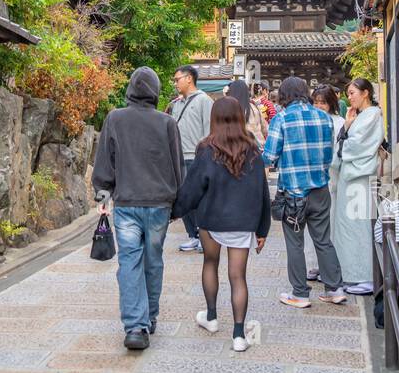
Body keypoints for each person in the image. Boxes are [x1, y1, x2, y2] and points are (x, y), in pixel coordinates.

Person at [92, 67, 183, 350]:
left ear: (130, 89)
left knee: (129, 262)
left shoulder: (115, 119)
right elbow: (178, 167)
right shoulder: (167, 123)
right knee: (153, 260)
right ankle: (150, 316)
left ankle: (135, 326)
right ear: (155, 92)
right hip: (158, 204)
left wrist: (102, 193)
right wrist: (177, 205)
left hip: (127, 203)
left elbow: (105, 160)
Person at [173, 97, 271, 352]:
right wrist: (262, 229)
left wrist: (174, 211)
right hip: (242, 222)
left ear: (214, 118)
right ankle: (239, 335)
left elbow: (193, 188)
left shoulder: (206, 148)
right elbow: (262, 192)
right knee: (238, 277)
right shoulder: (253, 150)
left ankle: (212, 317)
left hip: (211, 220)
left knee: (210, 263)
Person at [261, 77, 347, 307]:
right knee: (323, 240)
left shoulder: (281, 119)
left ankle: (299, 293)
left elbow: (269, 157)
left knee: (295, 242)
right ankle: (335, 289)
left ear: (285, 95)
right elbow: (330, 155)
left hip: (293, 192)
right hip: (320, 188)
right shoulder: (324, 118)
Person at [332, 77, 384, 295]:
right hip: (351, 177)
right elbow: (348, 140)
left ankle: (365, 275)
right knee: (348, 227)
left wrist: (344, 139)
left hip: (359, 178)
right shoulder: (361, 117)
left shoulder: (372, 116)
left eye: (352, 92)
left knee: (359, 227)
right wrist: (346, 126)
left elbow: (357, 145)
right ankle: (352, 273)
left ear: (365, 93)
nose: (349, 97)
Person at [168, 65, 213, 252]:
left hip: (197, 158)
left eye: (177, 79)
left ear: (189, 78)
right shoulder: (176, 103)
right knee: (182, 198)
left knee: (200, 199)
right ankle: (192, 235)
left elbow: (209, 130)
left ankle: (204, 236)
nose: (175, 83)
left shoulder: (205, 101)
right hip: (178, 156)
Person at [304, 86, 346, 282]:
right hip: (311, 178)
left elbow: (340, 151)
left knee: (328, 224)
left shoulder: (340, 123)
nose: (319, 106)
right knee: (311, 224)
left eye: (323, 102)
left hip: (331, 177)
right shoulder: (308, 121)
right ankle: (313, 264)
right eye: (316, 102)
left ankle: (328, 266)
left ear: (331, 103)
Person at [228, 79, 267, 148]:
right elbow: (265, 129)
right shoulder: (254, 107)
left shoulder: (228, 109)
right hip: (256, 148)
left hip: (235, 148)